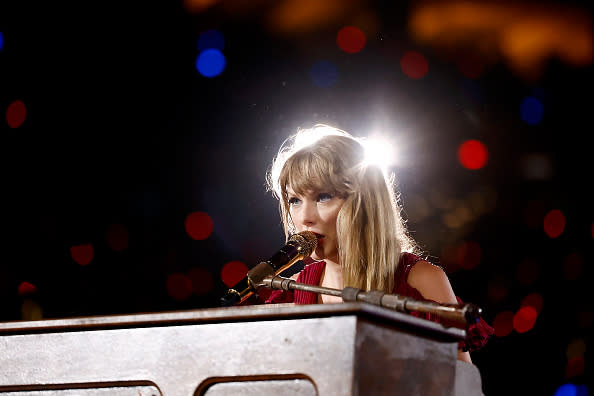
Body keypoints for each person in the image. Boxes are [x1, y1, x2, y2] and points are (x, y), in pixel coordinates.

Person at [263, 124, 493, 363]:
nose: (304, 217)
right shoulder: (294, 290)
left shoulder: (422, 281)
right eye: (294, 200)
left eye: (323, 197)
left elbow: (461, 386)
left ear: (364, 203)